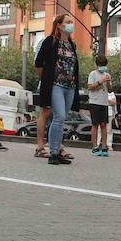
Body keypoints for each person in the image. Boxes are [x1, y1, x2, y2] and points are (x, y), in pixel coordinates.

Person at [34, 15, 78, 166]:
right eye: (68, 22)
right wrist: (45, 80)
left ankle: (58, 150)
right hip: (55, 85)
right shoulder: (51, 41)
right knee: (58, 116)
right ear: (59, 25)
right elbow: (39, 63)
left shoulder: (72, 44)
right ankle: (53, 152)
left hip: (70, 87)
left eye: (71, 22)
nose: (71, 25)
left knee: (62, 117)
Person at [86, 54, 112, 156]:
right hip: (94, 102)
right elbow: (90, 87)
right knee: (95, 124)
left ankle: (104, 146)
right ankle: (94, 146)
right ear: (97, 65)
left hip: (104, 102)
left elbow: (110, 90)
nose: (103, 67)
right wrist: (100, 82)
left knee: (104, 124)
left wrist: (108, 82)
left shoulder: (107, 74)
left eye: (104, 65)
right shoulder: (93, 74)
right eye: (101, 65)